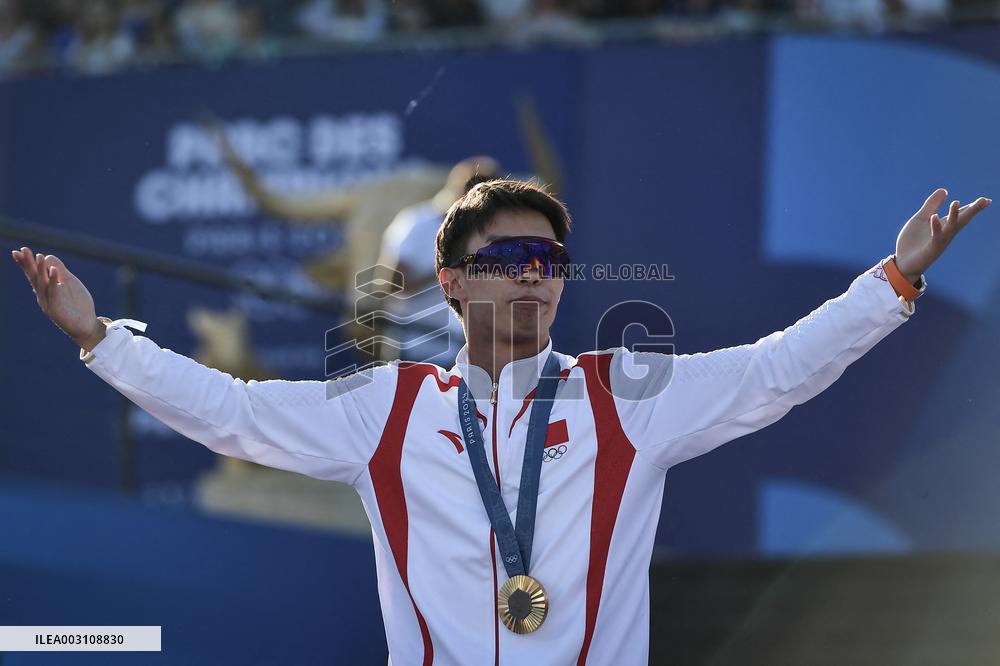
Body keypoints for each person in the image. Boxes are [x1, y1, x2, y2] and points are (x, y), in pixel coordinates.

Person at [11, 181, 990, 664]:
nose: (534, 278)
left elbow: (777, 370)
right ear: (450, 282)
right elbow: (235, 414)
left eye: (548, 262)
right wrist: (101, 339)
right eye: (509, 259)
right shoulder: (386, 409)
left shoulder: (626, 396)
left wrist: (893, 282)